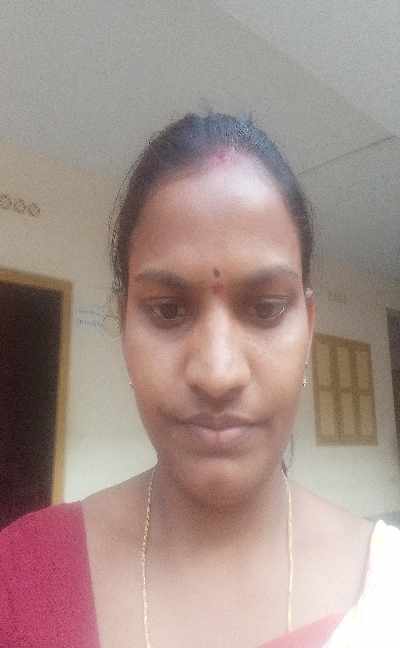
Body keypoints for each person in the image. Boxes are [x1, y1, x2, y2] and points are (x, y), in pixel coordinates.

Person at [1, 112, 399, 648]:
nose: (217, 373)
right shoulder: (20, 579)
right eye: (167, 310)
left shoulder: (386, 596)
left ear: (308, 330)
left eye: (265, 308)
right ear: (124, 327)